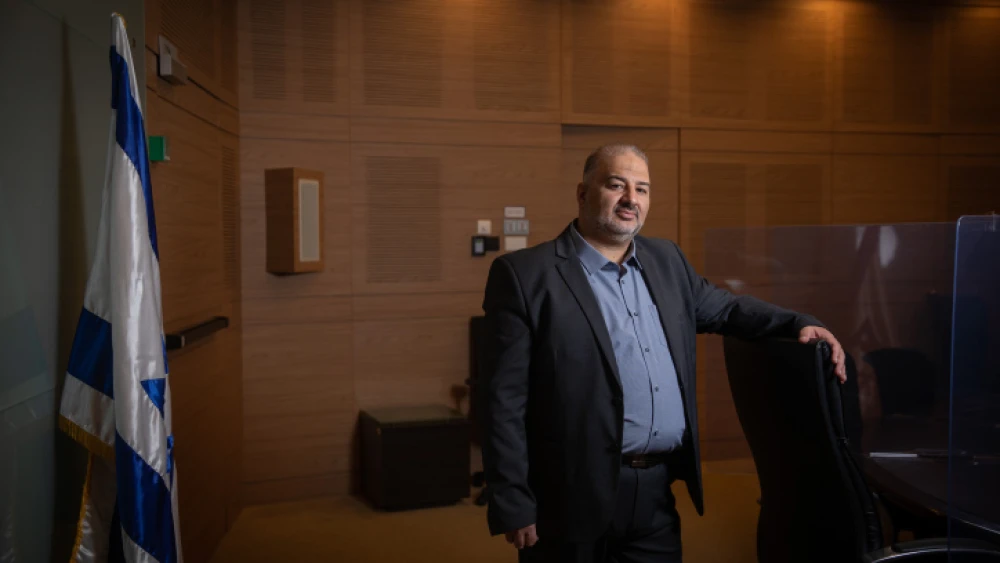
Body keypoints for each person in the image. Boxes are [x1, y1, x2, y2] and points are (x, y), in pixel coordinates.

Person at [477, 143, 846, 563]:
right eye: (616, 185)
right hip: (567, 494)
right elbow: (501, 401)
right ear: (582, 193)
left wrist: (797, 323)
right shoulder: (526, 275)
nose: (631, 200)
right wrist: (513, 499)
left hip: (655, 491)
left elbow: (726, 308)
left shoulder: (666, 260)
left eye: (642, 189)